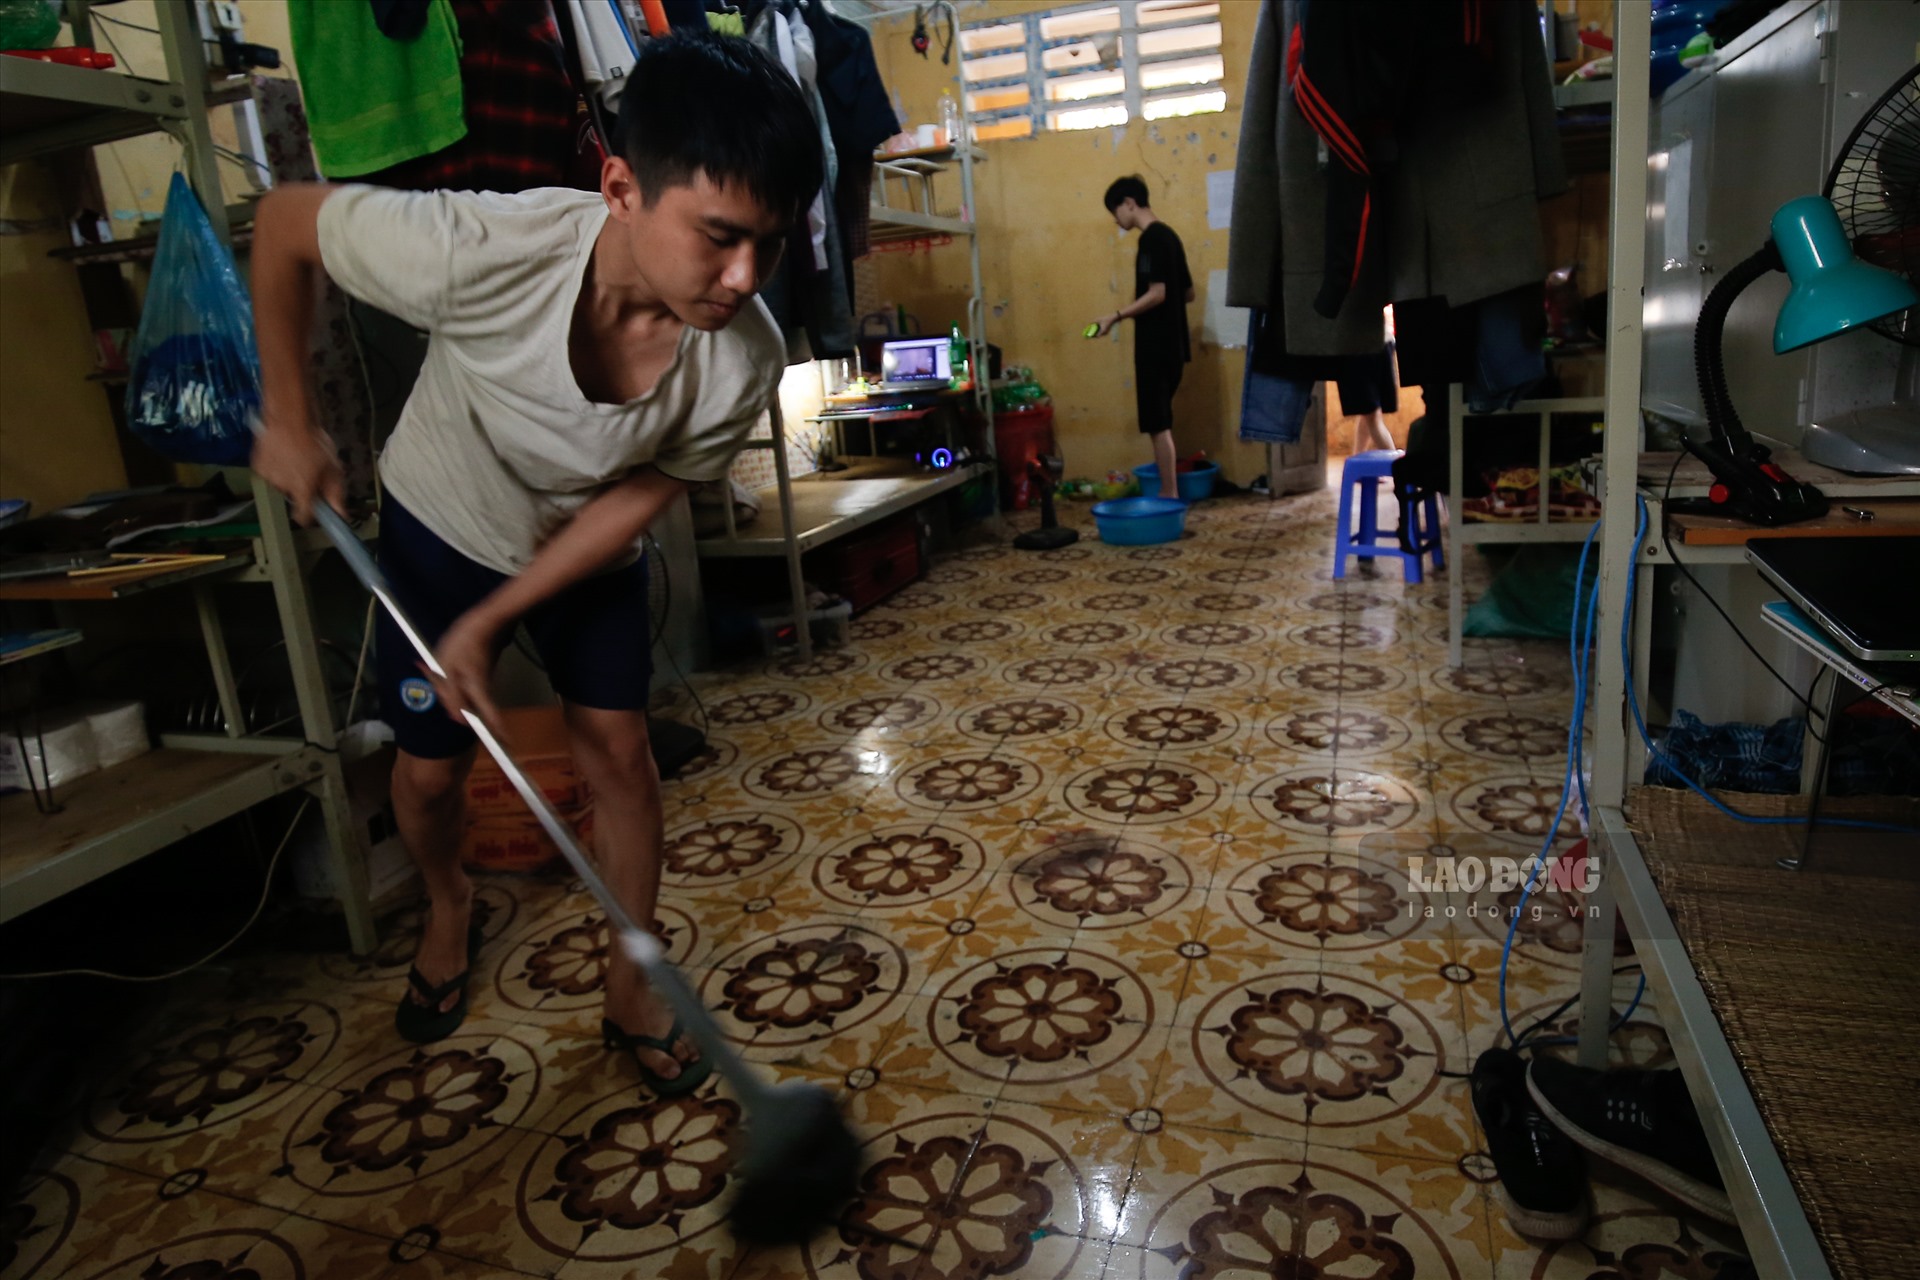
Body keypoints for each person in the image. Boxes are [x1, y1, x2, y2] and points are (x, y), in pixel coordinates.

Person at [249, 33, 824, 1096]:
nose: (746, 278)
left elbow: (647, 490)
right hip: (441, 517)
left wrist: (506, 609)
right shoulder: (475, 246)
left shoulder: (745, 356)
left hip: (580, 539)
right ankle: (449, 898)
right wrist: (292, 417)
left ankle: (631, 985)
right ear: (619, 188)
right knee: (427, 774)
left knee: (620, 752)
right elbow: (284, 224)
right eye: (719, 236)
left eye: (773, 246)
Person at [1089, 175, 1193, 500]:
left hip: (1155, 347)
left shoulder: (1151, 240)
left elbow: (1158, 293)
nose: (1117, 221)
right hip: (1175, 347)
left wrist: (1115, 316)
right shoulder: (1171, 237)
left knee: (1157, 424)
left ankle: (1168, 493)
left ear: (1129, 204)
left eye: (1115, 212)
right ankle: (1169, 490)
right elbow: (1186, 293)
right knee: (1160, 421)